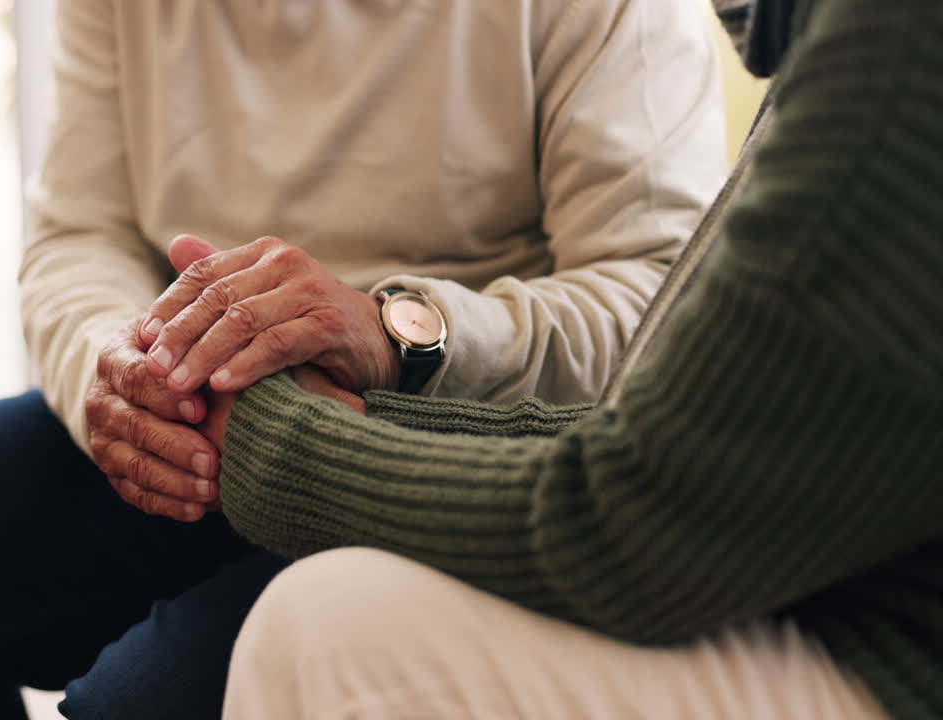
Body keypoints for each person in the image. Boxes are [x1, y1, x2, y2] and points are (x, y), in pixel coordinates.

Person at [0, 1, 726, 718]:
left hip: (436, 458)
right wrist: (114, 373)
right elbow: (75, 234)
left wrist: (397, 333)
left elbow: (654, 301)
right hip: (187, 427)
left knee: (128, 709)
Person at [194, 0, 943, 716]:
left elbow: (642, 519)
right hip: (807, 576)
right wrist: (171, 373)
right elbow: (714, 445)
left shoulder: (895, 44)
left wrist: (282, 436)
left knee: (329, 628)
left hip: (882, 654)